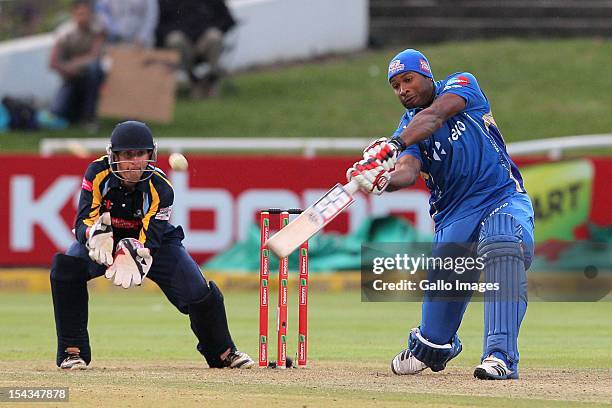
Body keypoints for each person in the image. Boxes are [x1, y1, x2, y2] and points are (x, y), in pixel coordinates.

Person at [347, 49, 534, 380]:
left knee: (503, 247)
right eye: (395, 85)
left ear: (427, 75)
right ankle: (434, 347)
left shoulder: (463, 85)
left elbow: (435, 116)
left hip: (500, 197)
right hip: (454, 220)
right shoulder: (408, 132)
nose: (402, 89)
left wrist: (392, 145)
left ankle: (499, 356)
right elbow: (407, 170)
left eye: (408, 79)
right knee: (432, 341)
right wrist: (383, 181)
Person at [50, 120, 254, 370]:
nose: (134, 162)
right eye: (127, 155)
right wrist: (93, 236)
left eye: (140, 154)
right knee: (66, 269)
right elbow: (82, 220)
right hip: (106, 238)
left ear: (150, 155)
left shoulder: (161, 187)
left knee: (197, 291)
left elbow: (153, 237)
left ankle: (224, 352)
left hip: (152, 243)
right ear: (113, 155)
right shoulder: (97, 173)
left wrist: (132, 254)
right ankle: (73, 352)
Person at [156, 0, 236, 98]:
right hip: (183, 45)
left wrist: (208, 32)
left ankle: (212, 81)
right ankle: (193, 82)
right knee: (175, 39)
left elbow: (227, 19)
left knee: (214, 36)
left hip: (205, 42)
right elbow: (159, 26)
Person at [49, 0, 105, 131]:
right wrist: (72, 67)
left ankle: (89, 117)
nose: (83, 17)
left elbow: (95, 57)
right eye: (80, 13)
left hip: (90, 77)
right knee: (58, 112)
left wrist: (74, 62)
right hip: (70, 78)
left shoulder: (96, 31)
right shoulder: (64, 33)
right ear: (74, 14)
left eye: (86, 13)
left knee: (94, 70)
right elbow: (53, 62)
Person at [95, 0, 159, 48]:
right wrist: (111, 29)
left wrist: (142, 37)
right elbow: (101, 10)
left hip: (141, 41)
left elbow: (151, 15)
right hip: (115, 39)